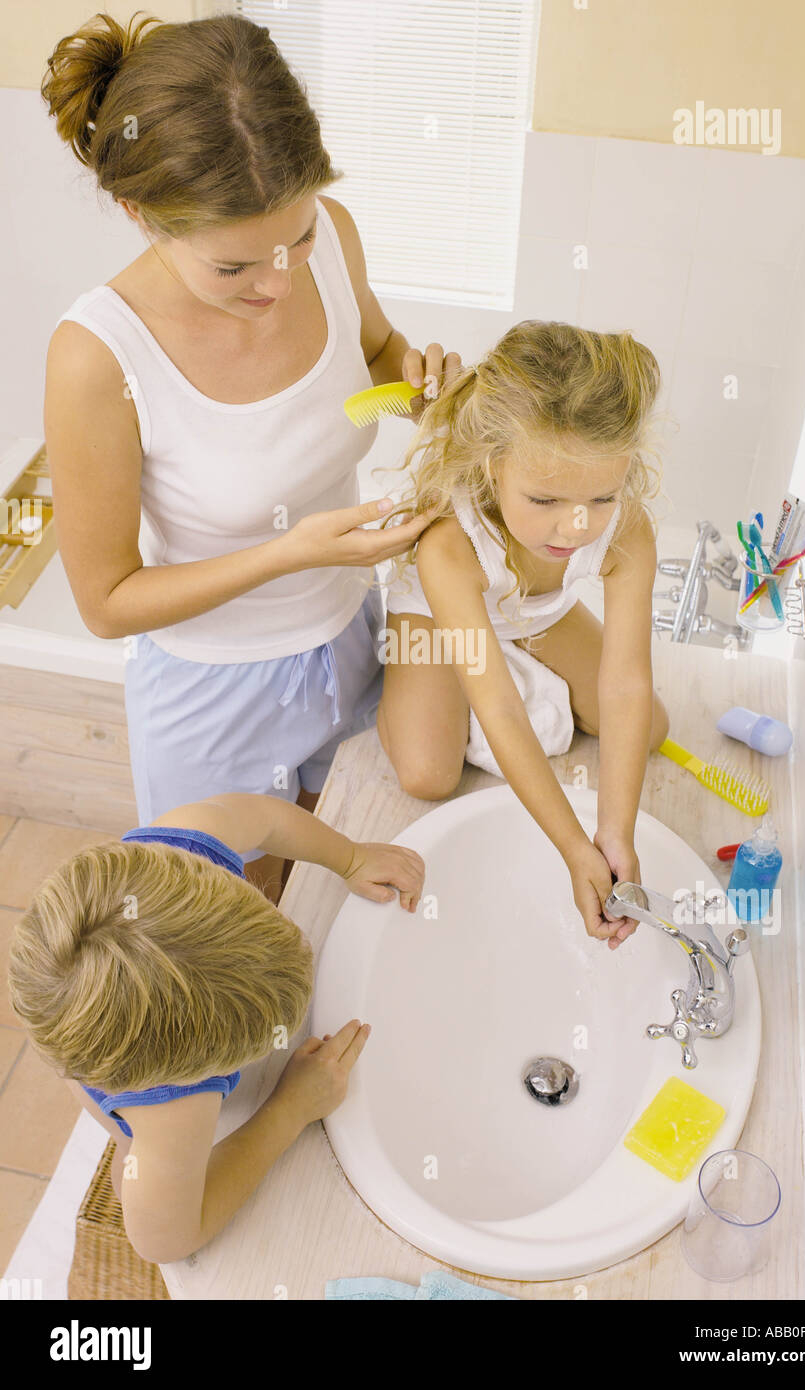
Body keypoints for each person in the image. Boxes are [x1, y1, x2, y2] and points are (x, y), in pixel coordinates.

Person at [41, 11, 462, 902]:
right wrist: (293, 550)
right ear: (140, 216)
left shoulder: (336, 238)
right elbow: (108, 605)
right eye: (233, 270)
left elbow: (377, 346)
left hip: (348, 643)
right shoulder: (98, 356)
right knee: (230, 936)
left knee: (327, 909)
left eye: (295, 240)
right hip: (212, 697)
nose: (278, 282)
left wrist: (416, 382)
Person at [7, 792, 424, 1263]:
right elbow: (165, 1243)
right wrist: (289, 1109)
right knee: (143, 1175)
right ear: (198, 1069)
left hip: (87, 1011)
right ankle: (127, 1146)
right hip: (126, 1089)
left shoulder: (184, 848)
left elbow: (265, 819)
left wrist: (350, 856)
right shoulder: (172, 1111)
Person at [377, 321, 671, 949]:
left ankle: (506, 643)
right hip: (438, 614)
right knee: (427, 773)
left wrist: (615, 831)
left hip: (534, 610)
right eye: (543, 500)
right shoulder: (449, 547)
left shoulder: (626, 528)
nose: (574, 526)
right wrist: (572, 845)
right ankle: (436, 664)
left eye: (601, 497)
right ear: (492, 464)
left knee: (650, 729)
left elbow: (626, 682)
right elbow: (501, 708)